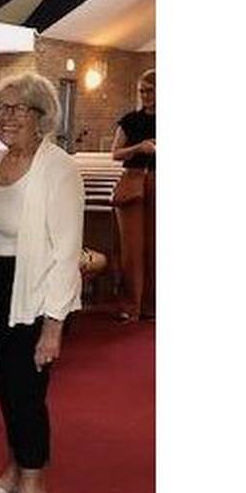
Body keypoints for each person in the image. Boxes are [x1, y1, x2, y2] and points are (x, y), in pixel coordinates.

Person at [0, 72, 84, 493]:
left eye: (16, 109)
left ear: (41, 117)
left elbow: (66, 251)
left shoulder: (59, 168)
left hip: (32, 295)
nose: (5, 117)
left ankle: (36, 492)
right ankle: (12, 474)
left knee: (27, 394)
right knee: (5, 389)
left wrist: (54, 325)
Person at [110, 69, 156, 321]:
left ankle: (153, 305)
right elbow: (115, 153)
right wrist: (140, 147)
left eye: (150, 90)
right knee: (132, 247)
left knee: (156, 245)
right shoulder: (130, 120)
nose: (146, 95)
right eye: (142, 91)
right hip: (133, 182)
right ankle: (131, 305)